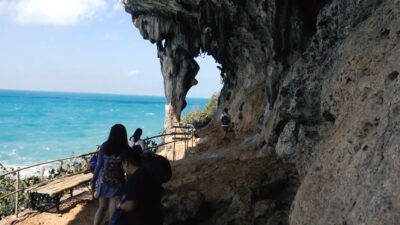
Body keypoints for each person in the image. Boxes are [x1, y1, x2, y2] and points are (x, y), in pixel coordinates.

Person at [91, 124, 130, 225]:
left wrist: (93, 181)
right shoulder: (126, 149)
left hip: (104, 181)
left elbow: (99, 165)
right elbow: (129, 169)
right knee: (113, 212)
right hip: (118, 184)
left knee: (102, 208)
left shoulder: (105, 146)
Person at [117, 148, 163, 225]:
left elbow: (130, 206)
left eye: (122, 165)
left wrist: (120, 206)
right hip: (156, 215)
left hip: (143, 219)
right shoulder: (148, 172)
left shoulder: (133, 179)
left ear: (126, 163)